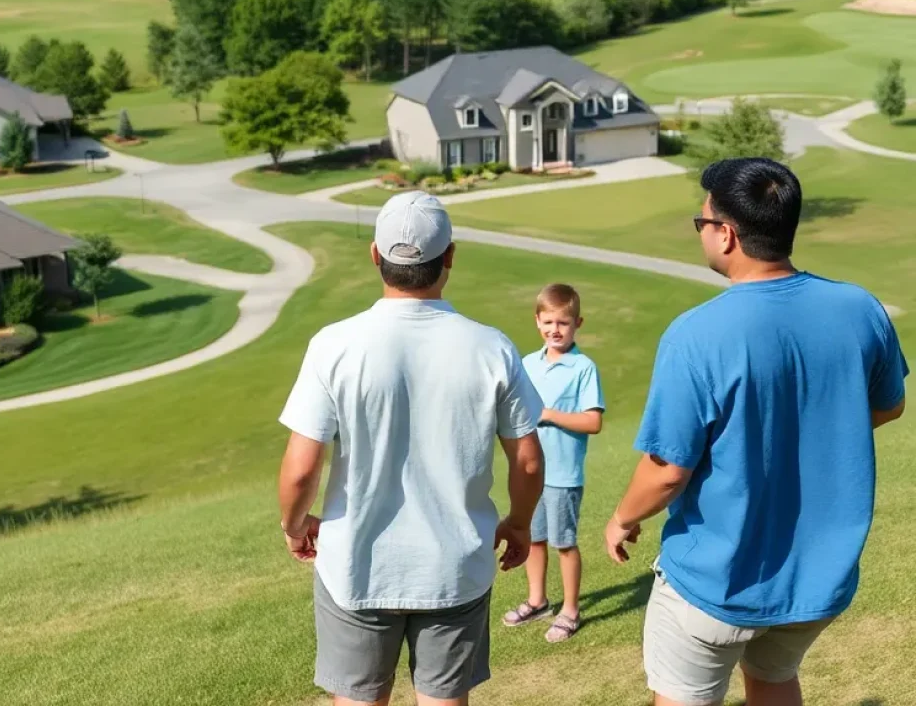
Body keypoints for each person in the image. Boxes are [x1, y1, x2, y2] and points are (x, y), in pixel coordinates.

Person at [605, 157, 908, 706]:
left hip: (713, 585)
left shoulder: (696, 334)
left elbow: (667, 470)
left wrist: (622, 518)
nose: (701, 233)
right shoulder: (861, 309)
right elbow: (890, 406)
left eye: (702, 223)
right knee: (773, 681)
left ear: (726, 234)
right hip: (816, 585)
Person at [278, 190, 545, 706]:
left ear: (375, 256)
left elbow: (300, 469)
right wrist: (519, 522)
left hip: (356, 565)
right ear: (449, 257)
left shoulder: (333, 345)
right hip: (455, 569)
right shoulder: (492, 347)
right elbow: (528, 459)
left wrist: (295, 526)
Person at [503, 283, 604, 643]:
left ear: (577, 322)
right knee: (533, 539)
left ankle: (571, 610)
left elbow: (593, 421)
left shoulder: (583, 367)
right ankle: (537, 601)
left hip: (563, 474)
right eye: (548, 322)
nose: (555, 330)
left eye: (563, 323)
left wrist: (549, 414)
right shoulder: (527, 364)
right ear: (537, 322)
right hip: (532, 472)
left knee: (564, 543)